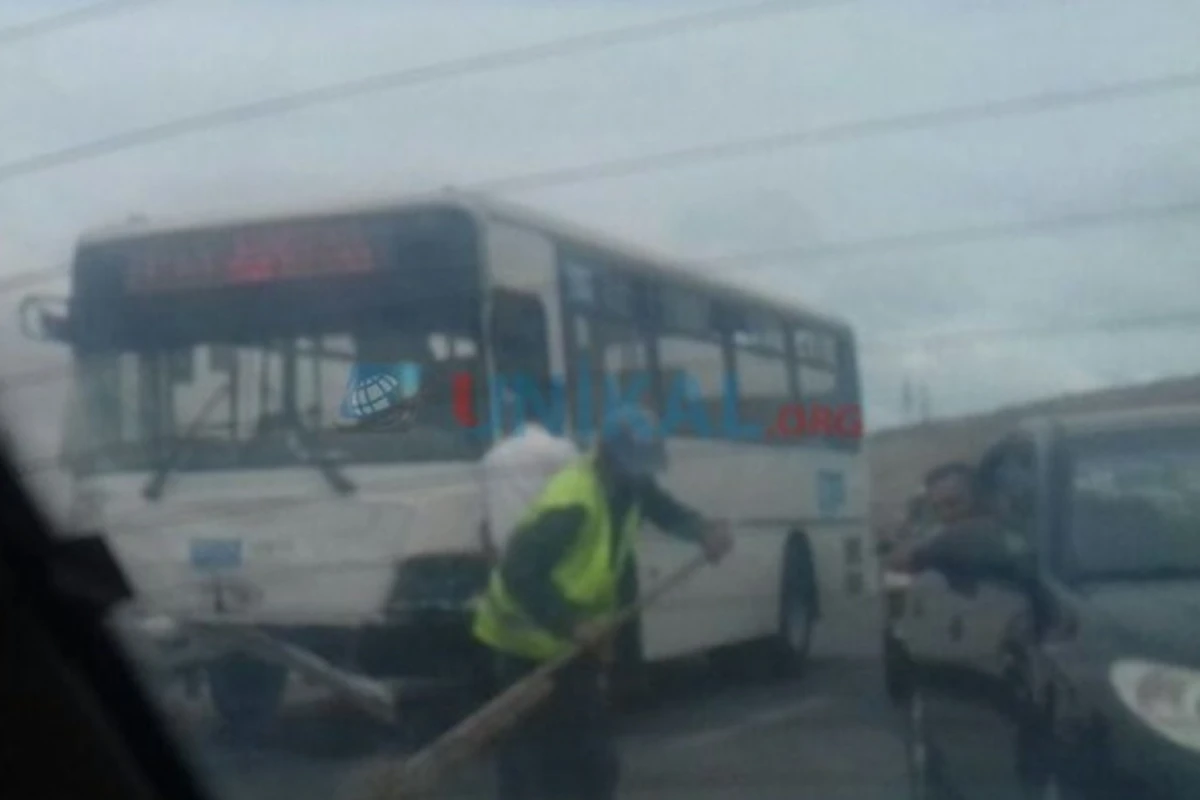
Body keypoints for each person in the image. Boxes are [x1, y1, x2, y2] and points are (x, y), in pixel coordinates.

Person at [472, 404, 733, 800]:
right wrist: (571, 623)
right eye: (635, 464)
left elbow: (664, 509)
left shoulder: (629, 487)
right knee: (531, 767)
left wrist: (702, 531)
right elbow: (518, 573)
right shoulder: (573, 501)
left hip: (572, 646)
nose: (642, 473)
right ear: (609, 457)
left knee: (591, 764)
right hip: (524, 643)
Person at [479, 389, 579, 561]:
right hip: (552, 553)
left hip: (508, 554)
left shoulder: (492, 457)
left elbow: (485, 523)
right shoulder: (563, 451)